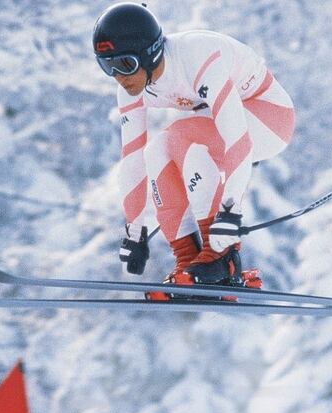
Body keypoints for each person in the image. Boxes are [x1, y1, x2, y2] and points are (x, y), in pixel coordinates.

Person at [93, 3, 296, 287]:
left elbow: (237, 139)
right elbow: (133, 159)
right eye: (107, 66)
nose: (119, 76)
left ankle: (221, 256)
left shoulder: (198, 57)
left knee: (182, 136)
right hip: (218, 127)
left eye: (126, 64)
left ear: (149, 54)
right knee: (157, 150)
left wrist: (230, 211)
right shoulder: (129, 87)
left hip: (269, 119)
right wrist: (135, 230)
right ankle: (188, 261)